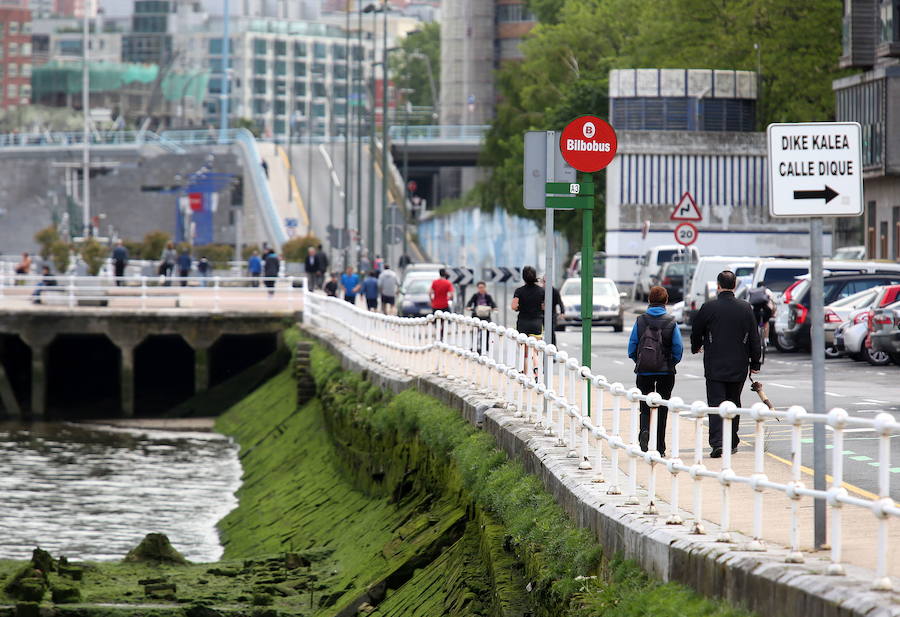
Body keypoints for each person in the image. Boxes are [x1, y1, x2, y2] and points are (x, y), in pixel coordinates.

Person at [690, 270, 762, 458]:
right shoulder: (745, 308)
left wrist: (696, 346)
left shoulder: (709, 307)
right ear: (735, 285)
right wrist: (755, 362)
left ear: (718, 286)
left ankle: (717, 443)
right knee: (734, 402)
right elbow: (755, 337)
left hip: (714, 363)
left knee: (715, 404)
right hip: (739, 363)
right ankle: (731, 441)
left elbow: (696, 330)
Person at [627, 286, 683, 458]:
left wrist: (640, 361)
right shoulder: (671, 321)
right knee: (663, 408)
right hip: (666, 372)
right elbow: (678, 348)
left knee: (645, 406)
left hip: (644, 372)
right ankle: (660, 446)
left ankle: (644, 431)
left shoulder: (640, 320)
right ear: (666, 301)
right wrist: (671, 363)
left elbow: (632, 347)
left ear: (649, 300)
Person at [511, 266, 544, 375]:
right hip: (537, 323)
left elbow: (514, 306)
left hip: (523, 323)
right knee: (534, 350)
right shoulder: (541, 291)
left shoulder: (519, 291)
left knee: (524, 352)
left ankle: (523, 374)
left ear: (523, 277)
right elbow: (544, 307)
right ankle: (536, 370)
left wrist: (521, 307)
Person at [467, 281, 497, 353]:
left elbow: (493, 305)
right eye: (479, 287)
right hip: (476, 316)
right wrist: (469, 307)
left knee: (486, 331)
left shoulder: (488, 296)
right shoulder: (475, 296)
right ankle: (474, 346)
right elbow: (469, 303)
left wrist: (493, 308)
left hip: (486, 317)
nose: (481, 289)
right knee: (475, 332)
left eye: (482, 287)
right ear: (477, 288)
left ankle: (484, 346)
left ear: (485, 287)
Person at [540, 275, 565, 346]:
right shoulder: (540, 290)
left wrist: (562, 312)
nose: (545, 283)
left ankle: (554, 347)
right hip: (541, 314)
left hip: (552, 314)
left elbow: (560, 302)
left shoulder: (555, 291)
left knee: (551, 331)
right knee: (540, 332)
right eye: (544, 282)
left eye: (547, 282)